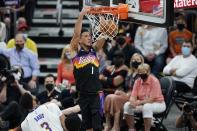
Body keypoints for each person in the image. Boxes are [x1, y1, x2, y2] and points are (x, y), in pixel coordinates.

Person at [70, 8, 106, 131]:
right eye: (86, 36)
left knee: (97, 127)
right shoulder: (75, 52)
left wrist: (102, 19)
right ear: (80, 40)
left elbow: (102, 37)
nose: (89, 38)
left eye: (90, 36)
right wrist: (81, 16)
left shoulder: (94, 50)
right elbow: (75, 34)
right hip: (83, 95)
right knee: (86, 126)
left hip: (97, 94)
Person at [103, 53, 144, 131]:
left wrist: (126, 94)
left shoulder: (142, 74)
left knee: (115, 98)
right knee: (109, 96)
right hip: (126, 94)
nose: (135, 61)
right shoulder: (129, 72)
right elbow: (124, 86)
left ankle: (116, 125)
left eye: (137, 60)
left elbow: (140, 91)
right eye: (133, 59)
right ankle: (108, 124)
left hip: (135, 97)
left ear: (141, 62)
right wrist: (120, 91)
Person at [123, 63, 166, 131]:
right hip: (142, 104)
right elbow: (133, 96)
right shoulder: (137, 81)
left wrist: (138, 103)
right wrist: (132, 101)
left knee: (147, 107)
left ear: (148, 72)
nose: (141, 74)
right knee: (127, 105)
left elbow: (151, 99)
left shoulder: (154, 81)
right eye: (139, 72)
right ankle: (131, 128)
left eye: (143, 72)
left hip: (158, 103)